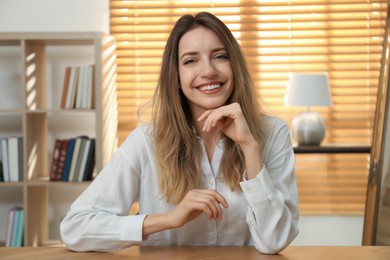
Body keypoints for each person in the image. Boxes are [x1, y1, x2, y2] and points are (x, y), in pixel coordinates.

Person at [60, 11, 299, 254]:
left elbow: (274, 241)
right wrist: (169, 219)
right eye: (190, 60)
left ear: (235, 66)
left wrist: (249, 146)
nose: (208, 71)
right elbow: (74, 228)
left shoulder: (272, 133)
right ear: (175, 76)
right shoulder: (146, 141)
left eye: (220, 56)